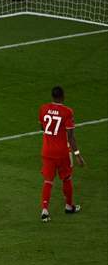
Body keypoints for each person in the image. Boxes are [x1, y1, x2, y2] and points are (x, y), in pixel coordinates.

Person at [38, 86, 85, 222]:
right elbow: (71, 136)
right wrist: (77, 154)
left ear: (52, 96)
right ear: (63, 96)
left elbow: (42, 127)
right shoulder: (67, 112)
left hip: (47, 151)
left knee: (48, 180)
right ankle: (69, 206)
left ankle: (45, 210)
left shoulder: (43, 108)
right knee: (66, 178)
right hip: (62, 152)